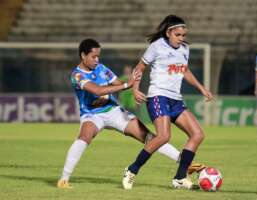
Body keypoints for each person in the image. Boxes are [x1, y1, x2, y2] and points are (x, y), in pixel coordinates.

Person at [57, 38, 204, 189]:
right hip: (92, 115)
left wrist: (132, 84)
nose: (97, 60)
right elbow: (97, 90)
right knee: (84, 137)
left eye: (98, 56)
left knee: (151, 138)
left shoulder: (102, 68)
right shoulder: (77, 75)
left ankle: (184, 163)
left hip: (114, 111)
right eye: (93, 56)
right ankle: (64, 179)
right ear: (83, 55)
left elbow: (119, 85)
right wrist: (127, 84)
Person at [122, 15, 214, 190]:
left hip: (175, 99)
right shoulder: (156, 47)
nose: (181, 38)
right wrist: (135, 89)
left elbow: (184, 70)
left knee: (198, 134)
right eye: (178, 35)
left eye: (184, 35)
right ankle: (132, 170)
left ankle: (179, 178)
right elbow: (139, 68)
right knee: (164, 136)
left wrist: (202, 89)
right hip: (158, 96)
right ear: (169, 32)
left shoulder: (184, 49)